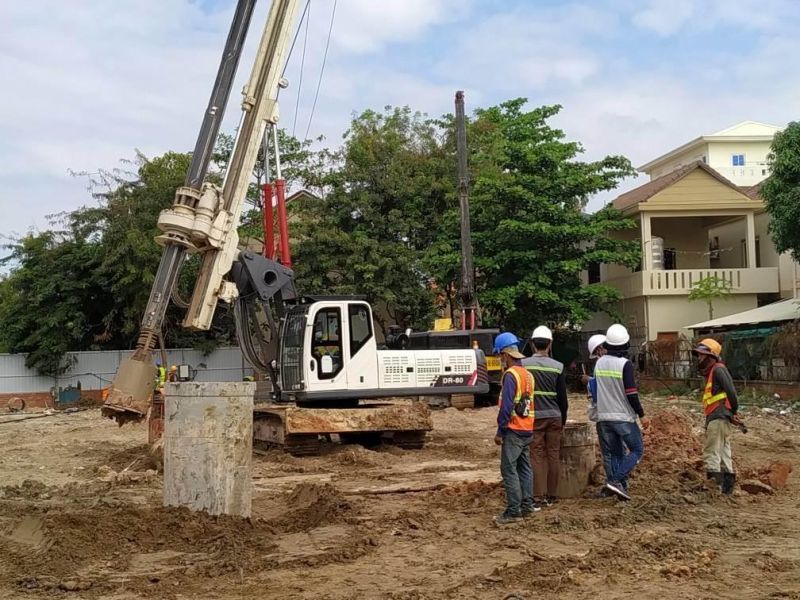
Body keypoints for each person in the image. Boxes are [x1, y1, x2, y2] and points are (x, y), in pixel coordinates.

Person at [594, 324, 647, 501]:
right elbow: (631, 393)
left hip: (603, 417)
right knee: (637, 449)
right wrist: (641, 414)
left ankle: (620, 488)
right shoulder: (625, 365)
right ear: (625, 345)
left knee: (614, 454)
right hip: (622, 417)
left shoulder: (599, 363)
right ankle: (616, 481)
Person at [522, 325, 568, 508]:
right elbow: (563, 398)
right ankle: (553, 494)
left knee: (537, 455)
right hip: (555, 416)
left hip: (534, 417)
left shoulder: (524, 365)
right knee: (553, 454)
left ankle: (538, 495)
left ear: (533, 344)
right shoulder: (558, 367)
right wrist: (563, 419)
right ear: (550, 344)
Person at [493, 332, 536, 525]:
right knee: (524, 468)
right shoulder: (527, 375)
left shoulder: (510, 375)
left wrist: (500, 431)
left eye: (500, 356)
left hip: (514, 429)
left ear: (506, 354)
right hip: (527, 428)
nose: (500, 360)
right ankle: (527, 506)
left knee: (509, 469)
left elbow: (507, 406)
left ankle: (513, 511)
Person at [693, 339, 739, 495]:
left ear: (710, 356)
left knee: (711, 451)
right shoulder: (714, 371)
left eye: (701, 355)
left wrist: (734, 411)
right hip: (720, 416)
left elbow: (731, 392)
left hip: (718, 417)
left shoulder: (718, 370)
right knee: (724, 451)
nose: (699, 358)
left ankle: (713, 490)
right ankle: (727, 491)